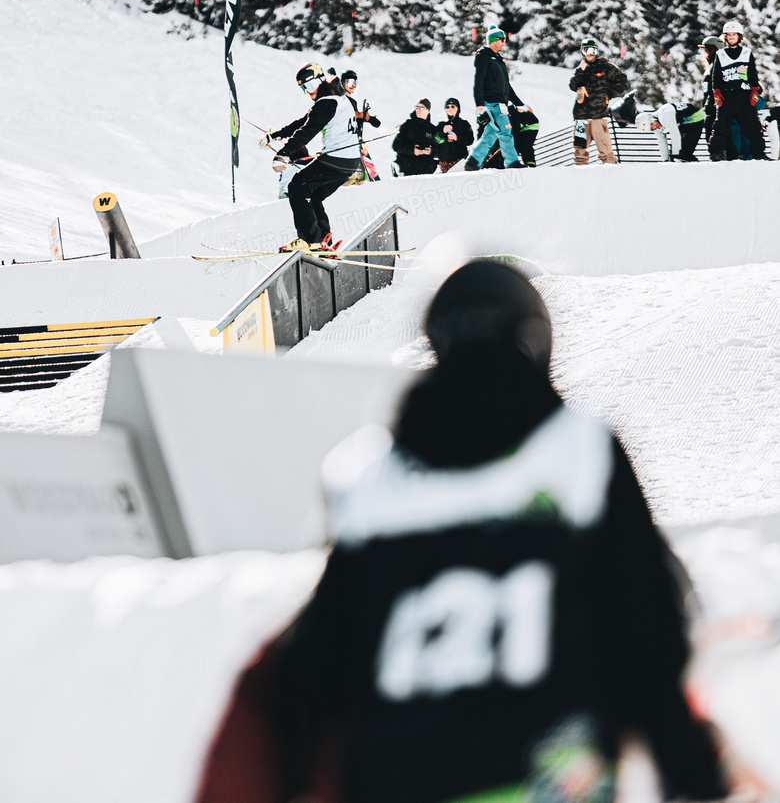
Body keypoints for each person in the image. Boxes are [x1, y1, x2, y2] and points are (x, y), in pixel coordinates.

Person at [199, 261, 727, 803]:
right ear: (536, 340)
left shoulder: (366, 476)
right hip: (543, 780)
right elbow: (648, 634)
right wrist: (696, 777)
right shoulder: (579, 454)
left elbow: (321, 664)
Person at [266, 63, 361, 251]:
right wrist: (274, 136)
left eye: (310, 86)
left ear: (321, 81)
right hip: (350, 162)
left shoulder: (327, 102)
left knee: (297, 187)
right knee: (314, 196)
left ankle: (311, 241)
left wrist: (283, 154)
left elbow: (308, 131)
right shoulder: (338, 99)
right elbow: (303, 122)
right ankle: (324, 238)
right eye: (304, 89)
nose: (309, 93)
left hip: (336, 160)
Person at [464, 27, 524, 171]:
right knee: (505, 132)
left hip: (500, 103)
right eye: (501, 40)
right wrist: (479, 103)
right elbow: (478, 81)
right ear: (493, 40)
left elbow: (507, 86)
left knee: (490, 135)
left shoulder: (498, 60)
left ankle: (472, 162)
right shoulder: (484, 57)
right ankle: (512, 162)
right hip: (492, 103)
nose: (504, 43)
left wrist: (519, 104)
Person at [708, 27, 767, 161]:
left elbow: (753, 74)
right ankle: (715, 153)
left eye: (734, 35)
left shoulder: (747, 53)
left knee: (752, 125)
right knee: (720, 126)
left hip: (744, 95)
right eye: (729, 35)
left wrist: (754, 91)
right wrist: (716, 92)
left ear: (739, 37)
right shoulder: (721, 54)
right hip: (727, 96)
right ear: (725, 37)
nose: (731, 37)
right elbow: (716, 77)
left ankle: (759, 153)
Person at [569, 38, 628, 166]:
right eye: (586, 51)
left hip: (598, 115)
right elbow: (572, 85)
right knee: (579, 152)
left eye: (592, 51)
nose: (589, 54)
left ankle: (612, 174)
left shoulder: (605, 67)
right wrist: (580, 70)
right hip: (581, 117)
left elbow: (623, 81)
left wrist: (609, 94)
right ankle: (579, 177)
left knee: (605, 150)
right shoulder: (582, 69)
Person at [635, 103, 705, 161]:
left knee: (683, 153)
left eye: (652, 125)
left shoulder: (664, 116)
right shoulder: (655, 126)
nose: (654, 128)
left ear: (651, 119)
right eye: (651, 129)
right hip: (683, 122)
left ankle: (695, 167)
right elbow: (662, 142)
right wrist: (665, 160)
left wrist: (675, 156)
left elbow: (675, 135)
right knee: (676, 154)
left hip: (696, 117)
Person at [481, 104, 540, 169]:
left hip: (530, 126)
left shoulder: (507, 116)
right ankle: (499, 165)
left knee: (524, 145)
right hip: (518, 125)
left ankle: (530, 163)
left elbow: (514, 129)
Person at [393, 99, 437, 175]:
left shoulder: (432, 129)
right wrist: (412, 150)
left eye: (421, 108)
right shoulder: (407, 125)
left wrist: (431, 151)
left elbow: (439, 149)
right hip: (407, 169)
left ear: (428, 110)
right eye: (417, 107)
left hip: (426, 171)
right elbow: (396, 146)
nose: (418, 110)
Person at [433, 98, 474, 173]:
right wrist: (442, 132)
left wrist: (457, 137)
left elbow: (470, 140)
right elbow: (435, 141)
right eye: (447, 107)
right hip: (444, 164)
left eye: (453, 106)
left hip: (459, 162)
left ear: (458, 108)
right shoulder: (441, 125)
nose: (450, 109)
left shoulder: (464, 124)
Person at [697, 35, 724, 144]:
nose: (705, 53)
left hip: (716, 105)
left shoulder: (718, 66)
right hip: (709, 106)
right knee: (709, 133)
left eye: (707, 50)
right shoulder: (711, 66)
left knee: (714, 133)